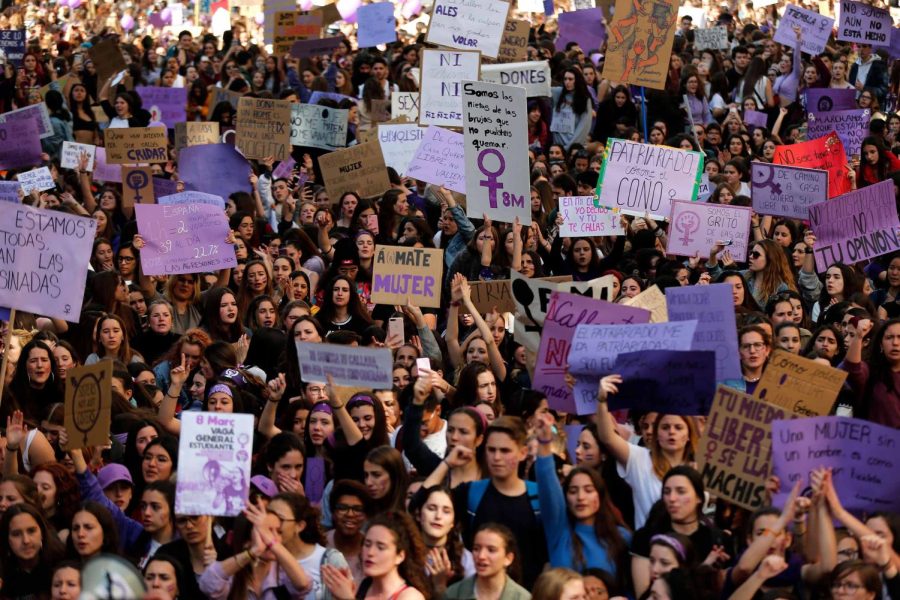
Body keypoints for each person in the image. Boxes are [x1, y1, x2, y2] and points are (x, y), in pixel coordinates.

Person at [444, 523, 531, 600]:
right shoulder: (453, 594)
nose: (481, 556)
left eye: (491, 550)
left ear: (508, 558)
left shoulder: (523, 597)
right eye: (476, 549)